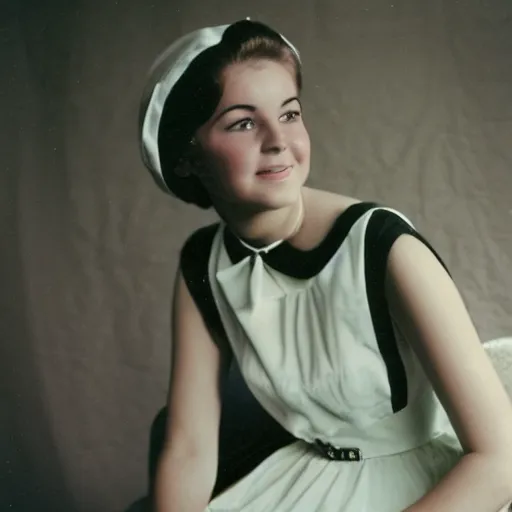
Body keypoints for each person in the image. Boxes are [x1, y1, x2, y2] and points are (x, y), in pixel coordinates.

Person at [138, 19, 512, 512]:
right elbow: (189, 447)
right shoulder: (203, 266)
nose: (277, 140)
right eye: (243, 122)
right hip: (311, 479)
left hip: (438, 487)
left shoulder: (382, 246)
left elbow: (499, 459)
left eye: (289, 114)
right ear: (188, 155)